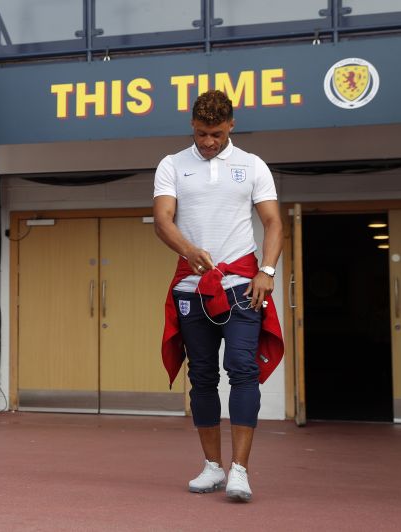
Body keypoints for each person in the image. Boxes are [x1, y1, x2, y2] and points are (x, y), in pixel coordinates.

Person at [153, 89, 284, 502]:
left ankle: (240, 471)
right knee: (203, 375)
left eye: (216, 134)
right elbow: (162, 220)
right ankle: (212, 466)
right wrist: (189, 250)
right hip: (191, 288)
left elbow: (273, 222)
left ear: (231, 126)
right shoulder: (173, 164)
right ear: (192, 126)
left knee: (242, 369)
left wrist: (267, 270)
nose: (208, 142)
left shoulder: (252, 165)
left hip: (242, 286)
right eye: (201, 133)